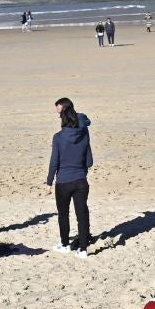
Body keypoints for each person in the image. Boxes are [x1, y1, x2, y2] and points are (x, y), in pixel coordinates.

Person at [45, 98, 93, 254]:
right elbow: (89, 160)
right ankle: (84, 249)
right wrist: (82, 171)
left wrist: (49, 182)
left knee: (63, 215)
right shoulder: (84, 133)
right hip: (81, 181)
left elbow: (54, 162)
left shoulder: (58, 137)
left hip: (64, 182)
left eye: (59, 113)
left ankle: (65, 245)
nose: (58, 116)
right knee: (82, 214)